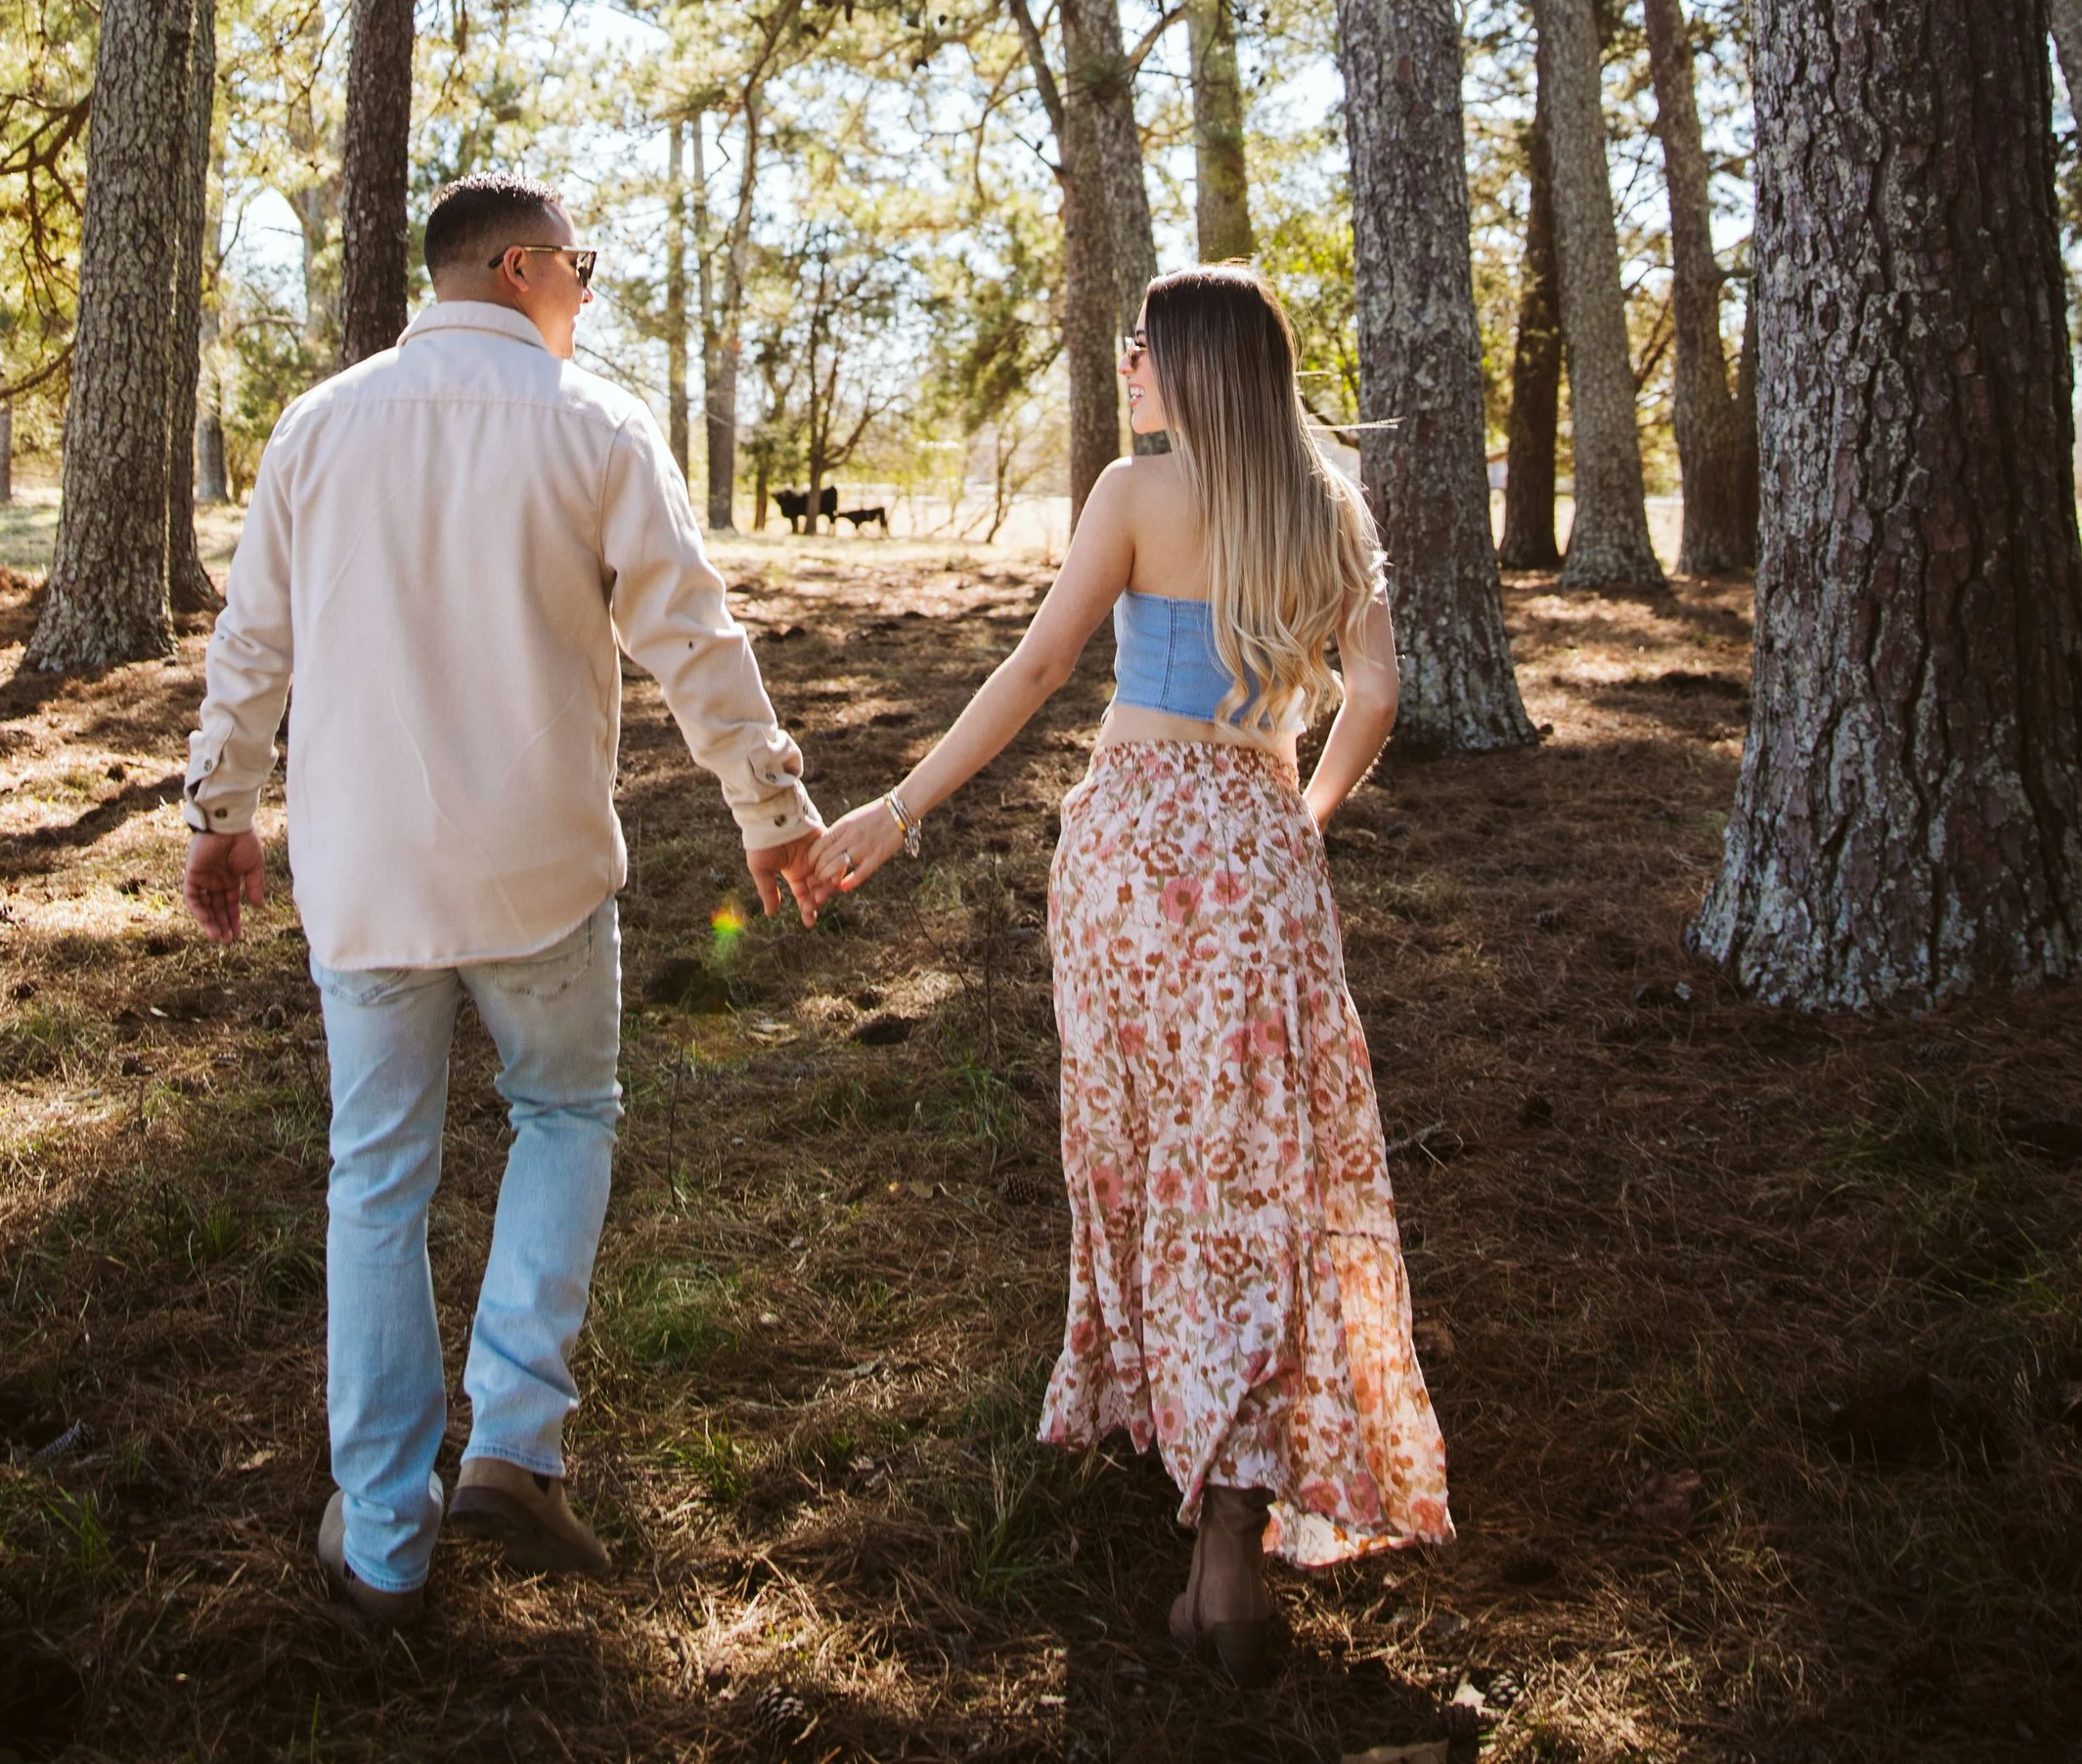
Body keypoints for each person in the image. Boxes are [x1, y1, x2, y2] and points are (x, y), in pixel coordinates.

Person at [179, 170, 824, 1621]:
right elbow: (697, 642)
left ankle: (389, 1541)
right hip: (537, 869)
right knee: (564, 1113)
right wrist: (770, 810)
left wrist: (220, 810)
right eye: (580, 267)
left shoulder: (319, 424)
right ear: (523, 265)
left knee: (379, 1175)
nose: (586, 295)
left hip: (368, 874)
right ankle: (516, 1447)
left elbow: (252, 644)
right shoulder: (593, 427)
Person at [812, 263, 1449, 1680]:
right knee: (1257, 1169)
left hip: (1128, 849)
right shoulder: (1332, 508)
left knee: (1142, 1148)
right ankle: (1234, 1522)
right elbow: (1381, 695)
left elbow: (1041, 668)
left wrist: (896, 808)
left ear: (1190, 367)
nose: (1126, 366)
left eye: (1140, 348)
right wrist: (1303, 812)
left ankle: (1175, 1431)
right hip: (1257, 850)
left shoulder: (1134, 491)